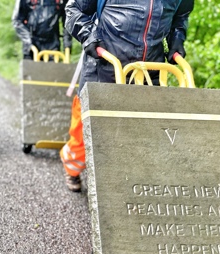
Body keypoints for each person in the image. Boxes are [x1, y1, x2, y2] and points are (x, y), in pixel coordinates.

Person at [60, 0, 194, 192]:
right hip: (105, 64)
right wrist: (88, 36)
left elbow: (181, 16)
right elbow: (74, 9)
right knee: (86, 132)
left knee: (142, 132)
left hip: (150, 70)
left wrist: (177, 39)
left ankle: (130, 185)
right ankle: (72, 166)